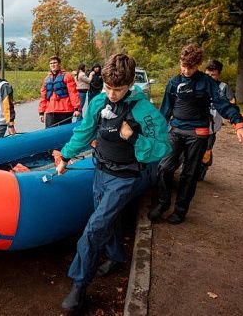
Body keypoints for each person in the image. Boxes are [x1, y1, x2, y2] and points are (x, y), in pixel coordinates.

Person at [56, 54, 171, 311]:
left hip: (125, 178)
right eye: (108, 87)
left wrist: (133, 139)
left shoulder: (144, 111)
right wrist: (65, 156)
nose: (112, 94)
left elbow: (163, 147)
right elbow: (84, 132)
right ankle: (117, 256)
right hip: (101, 172)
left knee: (95, 228)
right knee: (107, 219)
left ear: (130, 84)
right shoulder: (99, 101)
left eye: (117, 89)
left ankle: (79, 286)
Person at [148, 44, 243, 225]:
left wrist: (238, 124)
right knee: (164, 168)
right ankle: (163, 203)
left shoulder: (206, 82)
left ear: (198, 65)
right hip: (176, 130)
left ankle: (180, 210)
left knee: (189, 173)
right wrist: (154, 132)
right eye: (183, 66)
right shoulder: (173, 83)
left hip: (198, 133)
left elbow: (223, 103)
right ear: (180, 62)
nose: (186, 71)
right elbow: (164, 111)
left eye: (191, 67)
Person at [199, 59, 236, 180]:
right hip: (197, 124)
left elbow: (232, 102)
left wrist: (232, 113)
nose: (210, 77)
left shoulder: (223, 87)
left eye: (213, 75)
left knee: (207, 150)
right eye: (207, 74)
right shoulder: (200, 84)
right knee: (193, 148)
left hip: (212, 127)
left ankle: (203, 169)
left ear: (219, 74)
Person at [39, 56, 80, 128]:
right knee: (49, 133)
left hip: (65, 110)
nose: (53, 65)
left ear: (59, 64)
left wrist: (76, 108)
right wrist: (41, 112)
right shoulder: (46, 79)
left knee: (63, 134)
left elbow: (73, 93)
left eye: (55, 62)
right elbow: (43, 96)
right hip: (50, 111)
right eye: (51, 63)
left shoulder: (67, 76)